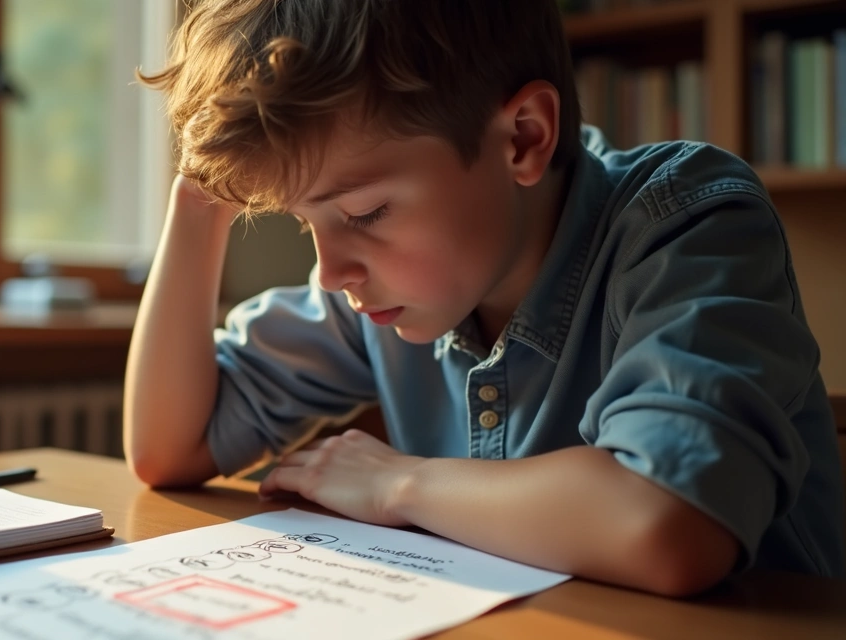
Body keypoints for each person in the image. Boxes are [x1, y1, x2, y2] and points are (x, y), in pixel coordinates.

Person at [122, 0, 845, 596]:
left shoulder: (684, 224)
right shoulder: (386, 294)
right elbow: (169, 447)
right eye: (303, 220)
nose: (332, 270)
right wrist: (199, 193)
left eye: (366, 213)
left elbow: (664, 523)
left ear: (524, 138)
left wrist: (399, 484)